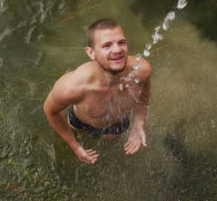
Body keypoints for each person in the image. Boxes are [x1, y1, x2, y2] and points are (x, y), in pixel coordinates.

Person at [43, 19, 152, 163]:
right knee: (75, 133)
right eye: (107, 45)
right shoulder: (73, 87)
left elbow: (143, 88)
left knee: (109, 147)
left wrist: (138, 122)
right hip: (79, 121)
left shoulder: (141, 70)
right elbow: (50, 111)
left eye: (121, 42)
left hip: (115, 124)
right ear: (91, 53)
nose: (117, 50)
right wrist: (75, 146)